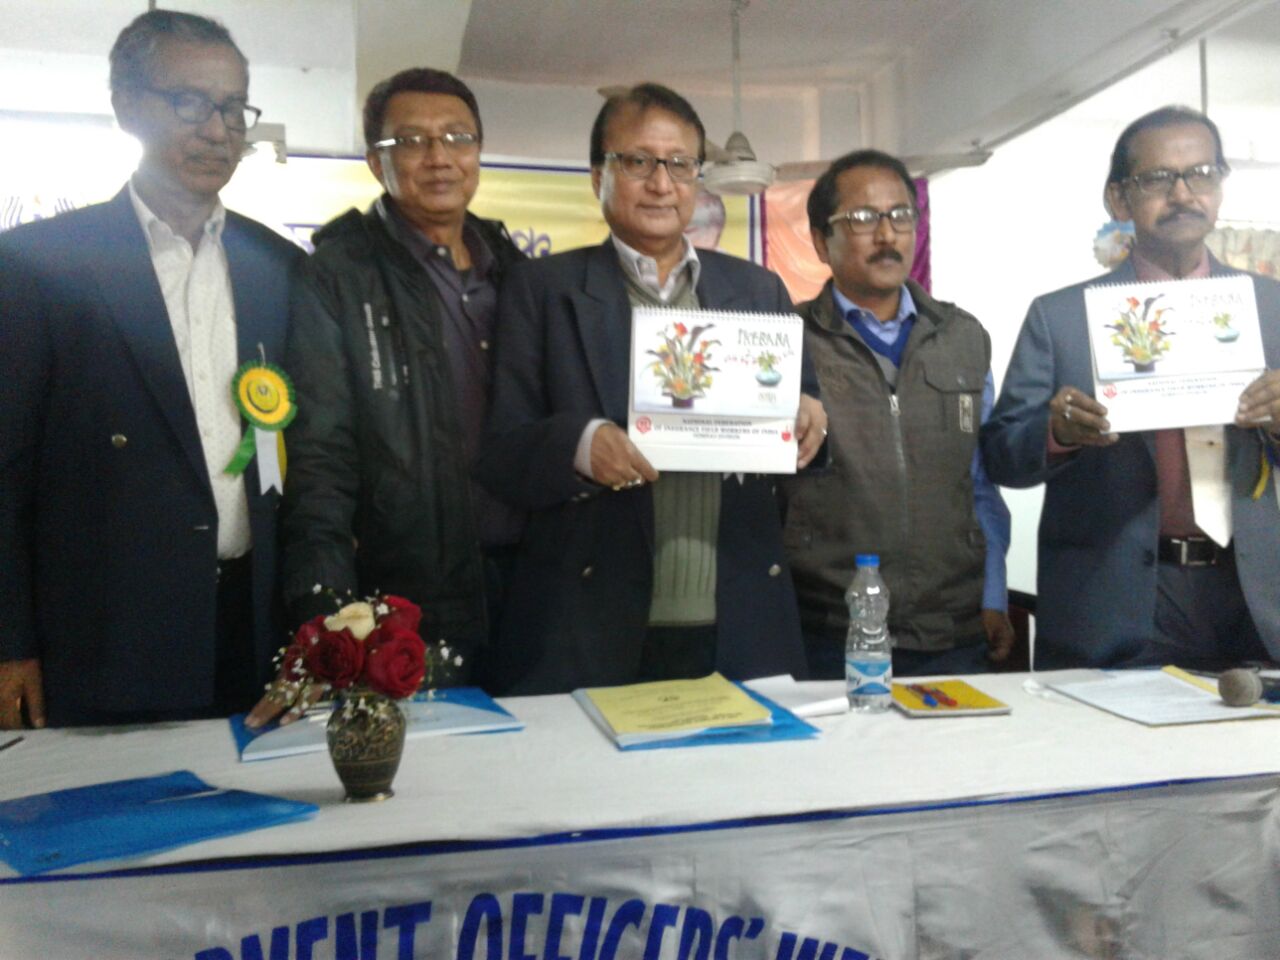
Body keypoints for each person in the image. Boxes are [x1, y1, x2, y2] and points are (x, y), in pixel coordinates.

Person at [0, 10, 301, 727]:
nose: (218, 129)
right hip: (102, 637)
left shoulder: (280, 267)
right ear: (127, 107)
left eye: (233, 107)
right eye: (190, 102)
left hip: (255, 636)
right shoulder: (39, 264)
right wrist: (9, 642)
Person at [474, 83, 826, 695]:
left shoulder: (757, 290)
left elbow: (809, 433)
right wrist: (580, 444)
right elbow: (502, 451)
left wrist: (809, 419)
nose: (662, 183)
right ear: (598, 177)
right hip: (591, 622)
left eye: (680, 164)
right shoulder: (542, 289)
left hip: (739, 617)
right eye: (638, 161)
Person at [245, 69, 524, 726]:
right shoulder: (339, 274)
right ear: (377, 161)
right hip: (409, 607)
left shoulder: (517, 271)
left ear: (478, 151)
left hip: (530, 592)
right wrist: (324, 622)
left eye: (457, 137)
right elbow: (320, 460)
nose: (439, 157)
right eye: (413, 141)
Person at [981, 106, 1280, 670]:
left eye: (1201, 174)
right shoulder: (1061, 317)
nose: (1183, 193)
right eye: (1158, 179)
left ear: (1220, 186)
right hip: (1114, 606)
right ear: (1118, 199)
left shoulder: (1272, 307)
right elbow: (1001, 456)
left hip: (1254, 599)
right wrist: (1057, 434)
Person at [780, 150, 1014, 678]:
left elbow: (980, 483)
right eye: (863, 218)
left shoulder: (963, 338)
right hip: (824, 630)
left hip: (950, 631)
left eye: (901, 215)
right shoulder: (786, 341)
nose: (887, 234)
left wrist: (993, 594)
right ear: (820, 240)